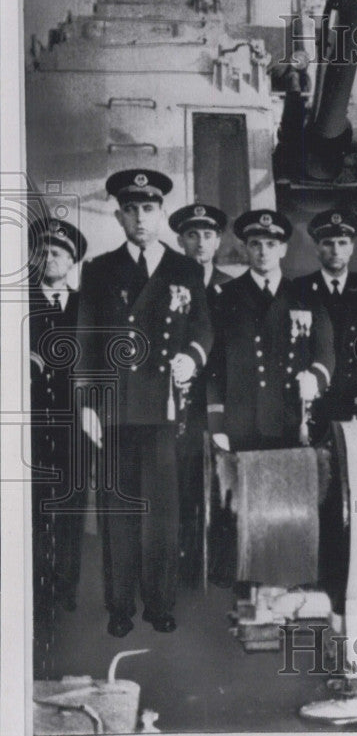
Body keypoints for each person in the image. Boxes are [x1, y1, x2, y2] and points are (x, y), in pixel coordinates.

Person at [76, 169, 213, 637]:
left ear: (161, 214)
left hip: (162, 407)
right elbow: (86, 340)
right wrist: (87, 402)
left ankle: (159, 603)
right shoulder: (98, 269)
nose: (140, 217)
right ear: (119, 215)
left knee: (162, 512)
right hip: (113, 408)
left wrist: (193, 358)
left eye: (149, 208)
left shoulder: (185, 269)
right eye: (131, 209)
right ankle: (119, 606)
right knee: (118, 511)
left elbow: (203, 328)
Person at [207, 209, 334, 453]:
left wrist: (316, 378)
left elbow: (326, 352)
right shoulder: (224, 298)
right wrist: (216, 425)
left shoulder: (306, 296)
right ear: (245, 249)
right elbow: (215, 368)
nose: (263, 251)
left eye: (271, 244)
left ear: (283, 249)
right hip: (242, 424)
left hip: (292, 418)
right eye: (255, 244)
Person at [168, 203, 233, 586]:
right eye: (192, 235)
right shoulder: (169, 286)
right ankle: (185, 562)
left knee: (224, 481)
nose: (200, 242)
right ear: (180, 240)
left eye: (207, 234)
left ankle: (223, 563)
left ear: (219, 240)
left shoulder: (231, 287)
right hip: (183, 402)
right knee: (183, 480)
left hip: (222, 402)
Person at [29, 216, 87, 620]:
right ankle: (35, 588)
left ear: (72, 262)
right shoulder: (17, 303)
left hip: (74, 424)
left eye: (60, 253)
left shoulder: (87, 306)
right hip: (31, 424)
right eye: (45, 252)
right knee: (34, 506)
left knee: (70, 506)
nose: (51, 259)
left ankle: (66, 588)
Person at [293, 208, 357, 436]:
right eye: (327, 243)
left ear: (352, 248)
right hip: (317, 402)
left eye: (342, 243)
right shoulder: (298, 289)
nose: (335, 250)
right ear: (316, 248)